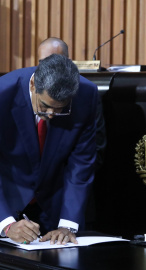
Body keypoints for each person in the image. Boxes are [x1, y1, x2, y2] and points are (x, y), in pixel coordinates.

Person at [0, 54, 97, 245]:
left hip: (57, 205)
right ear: (33, 84)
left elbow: (81, 163)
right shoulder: (3, 93)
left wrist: (68, 225)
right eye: (45, 106)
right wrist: (6, 224)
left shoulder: (86, 94)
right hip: (8, 200)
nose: (52, 115)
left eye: (61, 109)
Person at [38, 37, 106, 171]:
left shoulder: (85, 96)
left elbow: (94, 152)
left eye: (55, 63)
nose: (48, 69)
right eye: (43, 63)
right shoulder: (21, 90)